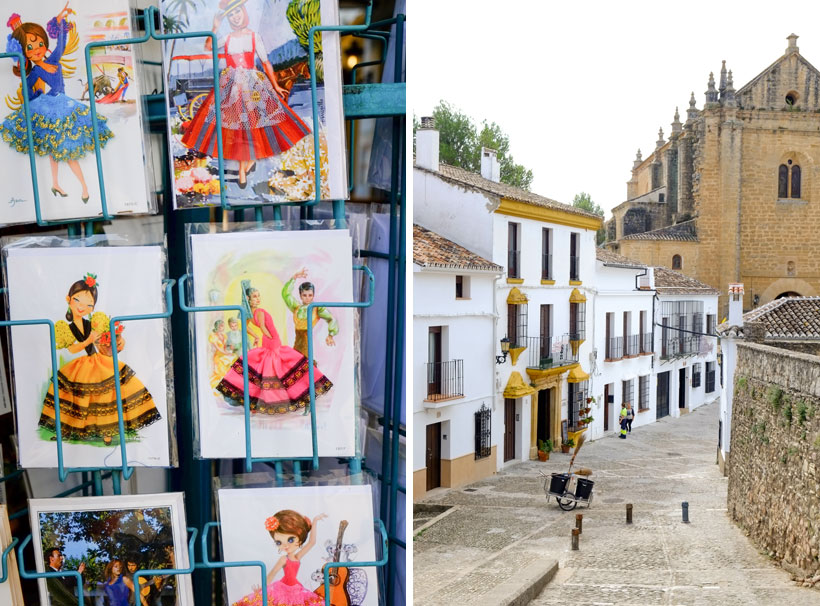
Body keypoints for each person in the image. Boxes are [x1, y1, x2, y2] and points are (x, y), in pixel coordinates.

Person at [180, 0, 311, 188]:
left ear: (244, 11)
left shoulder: (254, 36)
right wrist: (215, 27)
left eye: (238, 11)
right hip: (231, 86)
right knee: (238, 128)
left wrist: (274, 85)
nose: (236, 16)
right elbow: (208, 47)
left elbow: (266, 63)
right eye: (231, 14)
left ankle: (245, 167)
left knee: (255, 126)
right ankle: (245, 167)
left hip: (252, 85)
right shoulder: (227, 38)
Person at [0, 5, 114, 203]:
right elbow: (27, 91)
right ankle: (80, 188)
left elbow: (61, 45)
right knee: (62, 150)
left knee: (61, 149)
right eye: (29, 47)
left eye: (39, 44)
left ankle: (62, 184)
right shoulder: (34, 71)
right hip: (48, 107)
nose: (36, 50)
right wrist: (35, 94)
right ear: (23, 53)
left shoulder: (53, 59)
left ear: (44, 43)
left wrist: (60, 22)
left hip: (63, 105)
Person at [38, 274, 162, 445]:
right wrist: (88, 341)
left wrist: (116, 340)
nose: (83, 307)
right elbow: (73, 348)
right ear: (69, 300)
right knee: (74, 396)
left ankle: (107, 432)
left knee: (106, 396)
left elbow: (106, 339)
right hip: (83, 365)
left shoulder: (94, 323)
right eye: (77, 301)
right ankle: (67, 430)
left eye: (89, 305)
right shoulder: (68, 328)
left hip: (99, 361)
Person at [216, 280, 333, 414]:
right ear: (248, 298)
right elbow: (263, 327)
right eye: (255, 296)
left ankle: (276, 395)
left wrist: (256, 336)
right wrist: (266, 336)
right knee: (279, 366)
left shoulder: (251, 313)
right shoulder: (258, 311)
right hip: (272, 340)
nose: (258, 298)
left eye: (258, 296)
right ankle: (293, 393)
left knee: (270, 366)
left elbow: (247, 326)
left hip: (270, 340)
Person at [230, 510, 326, 606]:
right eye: (279, 542)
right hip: (282, 588)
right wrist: (262, 589)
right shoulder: (284, 559)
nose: (285, 546)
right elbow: (272, 574)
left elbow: (312, 542)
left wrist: (315, 521)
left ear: (300, 537)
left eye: (291, 540)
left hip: (296, 588)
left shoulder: (297, 556)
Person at [281, 268, 338, 359]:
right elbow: (286, 295)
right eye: (304, 295)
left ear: (313, 295)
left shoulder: (317, 308)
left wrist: (330, 335)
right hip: (297, 344)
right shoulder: (296, 308)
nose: (307, 298)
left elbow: (331, 319)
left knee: (307, 366)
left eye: (310, 295)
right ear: (300, 295)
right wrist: (294, 278)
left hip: (308, 345)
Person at [209, 318, 236, 389]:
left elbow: (225, 346)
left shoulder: (224, 335)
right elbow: (218, 348)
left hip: (224, 354)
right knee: (220, 372)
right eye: (221, 326)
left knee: (234, 358)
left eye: (223, 326)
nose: (223, 328)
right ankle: (218, 386)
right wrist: (226, 353)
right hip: (218, 356)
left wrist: (229, 346)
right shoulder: (213, 336)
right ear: (217, 326)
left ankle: (228, 385)